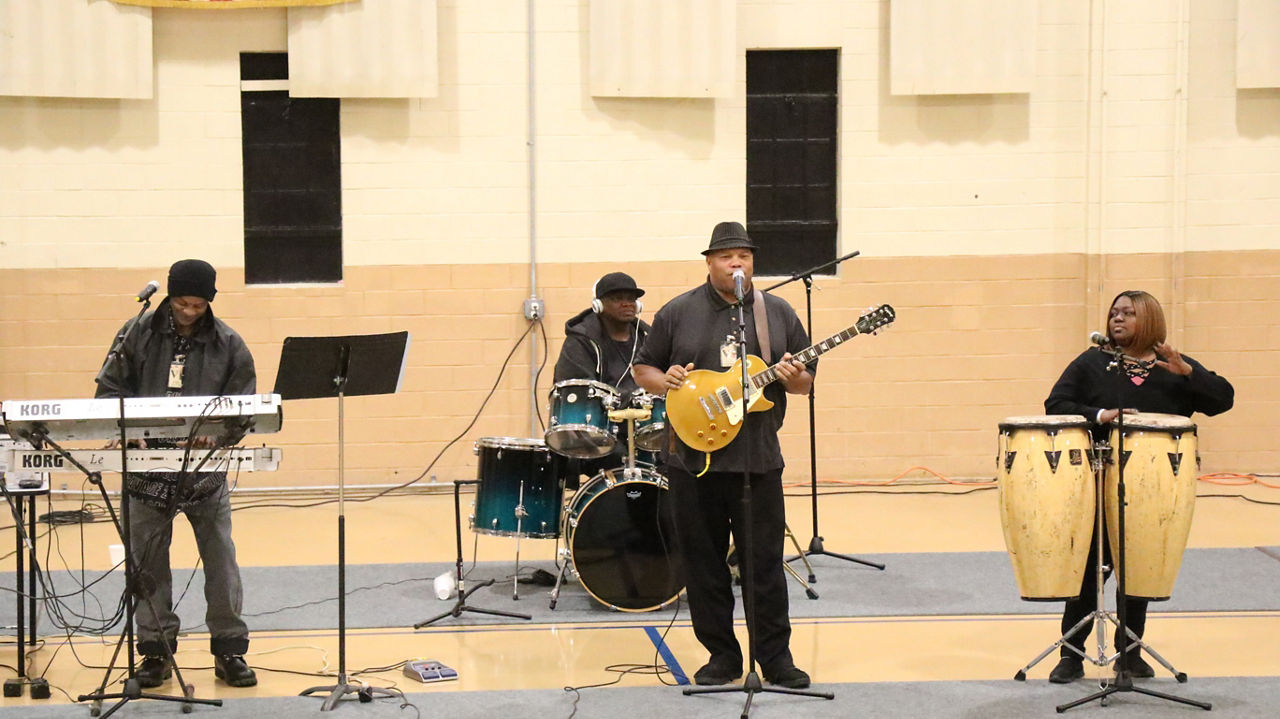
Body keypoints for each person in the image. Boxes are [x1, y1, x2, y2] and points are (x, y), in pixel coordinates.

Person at [633, 221, 815, 689]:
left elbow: (804, 382)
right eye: (727, 257)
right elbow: (643, 368)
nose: (738, 264)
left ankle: (775, 659)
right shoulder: (678, 312)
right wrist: (665, 380)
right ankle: (721, 656)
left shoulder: (775, 312)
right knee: (703, 563)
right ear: (710, 263)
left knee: (765, 565)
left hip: (757, 459)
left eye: (745, 257)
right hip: (691, 461)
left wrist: (794, 374)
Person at [1043, 290, 1233, 683]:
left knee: (1139, 567)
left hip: (1155, 487)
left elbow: (1223, 400)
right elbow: (1056, 402)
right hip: (1097, 482)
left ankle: (1129, 654)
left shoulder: (1173, 367)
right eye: (1114, 312)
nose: (1118, 318)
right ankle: (1071, 655)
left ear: (1148, 320)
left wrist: (1189, 374)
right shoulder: (1093, 362)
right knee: (1089, 570)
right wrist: (1100, 414)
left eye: (1128, 313)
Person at [94, 259, 258, 688]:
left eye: (198, 305)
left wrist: (219, 434)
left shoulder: (228, 343)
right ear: (168, 296)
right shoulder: (136, 333)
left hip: (203, 471)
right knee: (148, 563)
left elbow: (244, 403)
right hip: (146, 471)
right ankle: (155, 652)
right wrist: (129, 433)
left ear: (210, 302)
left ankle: (229, 650)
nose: (189, 312)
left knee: (221, 558)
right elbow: (109, 390)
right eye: (183, 303)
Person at [553, 272, 650, 483]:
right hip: (599, 433)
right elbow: (579, 394)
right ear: (598, 305)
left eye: (631, 299)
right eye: (617, 299)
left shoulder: (647, 338)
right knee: (618, 460)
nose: (627, 304)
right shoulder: (580, 341)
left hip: (644, 428)